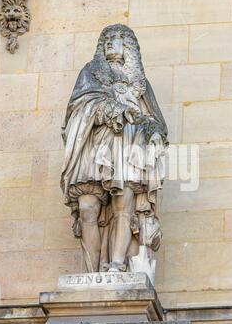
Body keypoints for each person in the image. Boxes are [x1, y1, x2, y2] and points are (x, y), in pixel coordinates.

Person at [61, 24, 168, 273]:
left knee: (123, 205)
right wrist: (108, 109)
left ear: (128, 46)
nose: (111, 42)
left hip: (128, 147)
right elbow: (77, 107)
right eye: (107, 39)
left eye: (118, 38)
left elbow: (156, 122)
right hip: (95, 146)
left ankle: (117, 265)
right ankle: (92, 272)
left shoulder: (140, 83)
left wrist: (151, 131)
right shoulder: (90, 73)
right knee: (88, 206)